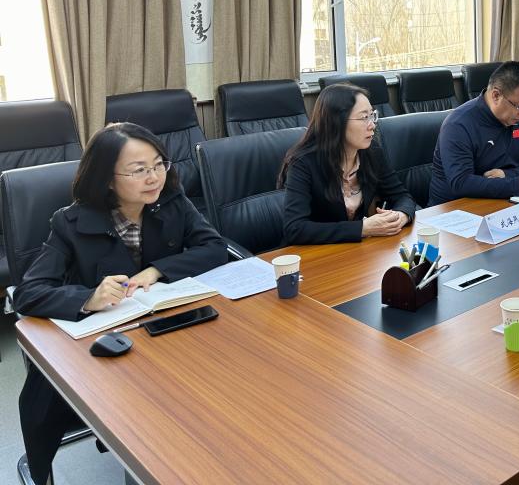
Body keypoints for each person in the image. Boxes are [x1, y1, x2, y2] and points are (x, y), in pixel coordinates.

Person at [14, 122, 228, 485]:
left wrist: (157, 270)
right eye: (139, 170)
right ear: (108, 179)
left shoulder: (172, 202)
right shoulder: (70, 223)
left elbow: (214, 247)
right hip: (102, 353)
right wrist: (88, 298)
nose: (154, 177)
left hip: (167, 336)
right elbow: (28, 292)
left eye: (159, 164)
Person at [280, 83, 416, 244]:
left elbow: (402, 196)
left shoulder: (371, 152)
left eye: (372, 115)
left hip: (353, 250)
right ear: (337, 122)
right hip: (312, 254)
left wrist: (401, 216)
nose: (372, 125)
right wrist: (363, 228)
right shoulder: (303, 163)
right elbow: (295, 228)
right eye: (364, 118)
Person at [429, 60, 519, 205]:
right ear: (496, 95)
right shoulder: (458, 125)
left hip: (505, 201)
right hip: (455, 209)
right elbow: (461, 183)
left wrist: (507, 175)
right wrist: (516, 185)